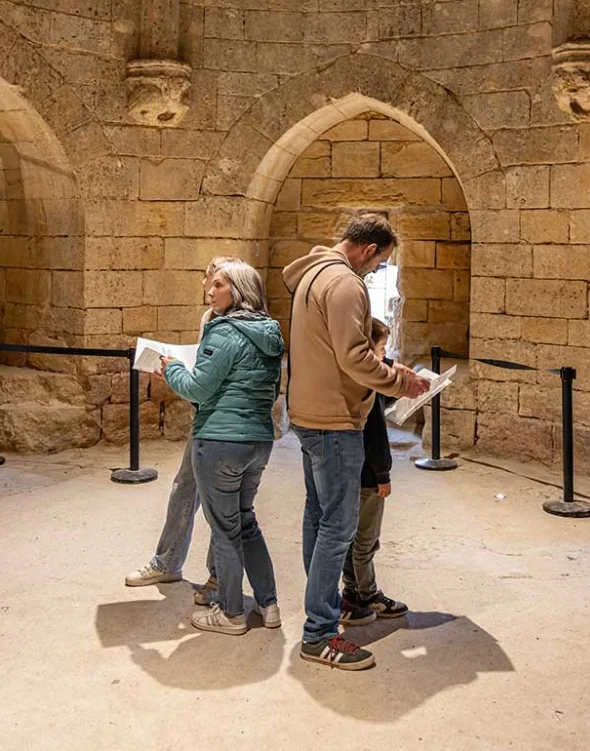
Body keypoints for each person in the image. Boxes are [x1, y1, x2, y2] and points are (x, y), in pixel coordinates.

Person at [283, 213, 430, 670]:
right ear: (369, 250)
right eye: (380, 263)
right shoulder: (346, 284)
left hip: (309, 414)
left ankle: (326, 607)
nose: (376, 271)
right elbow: (353, 357)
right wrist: (399, 382)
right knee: (338, 528)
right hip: (334, 420)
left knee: (319, 517)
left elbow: (338, 351)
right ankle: (320, 634)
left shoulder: (312, 274)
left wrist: (390, 374)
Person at [160, 260, 284, 636]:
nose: (208, 291)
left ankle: (231, 612)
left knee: (226, 529)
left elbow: (198, 388)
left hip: (220, 440)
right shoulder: (270, 332)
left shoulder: (223, 331)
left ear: (239, 291)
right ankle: (268, 603)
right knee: (245, 521)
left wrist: (170, 369)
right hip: (258, 441)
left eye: (218, 285)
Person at [125, 256, 239, 604]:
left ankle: (218, 578)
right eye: (207, 280)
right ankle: (168, 561)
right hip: (205, 415)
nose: (208, 289)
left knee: (221, 503)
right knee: (184, 489)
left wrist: (184, 376)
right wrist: (176, 370)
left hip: (228, 422)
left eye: (216, 282)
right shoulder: (209, 319)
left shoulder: (243, 323)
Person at [340, 317, 408, 625]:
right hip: (369, 477)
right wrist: (384, 476)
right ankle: (367, 595)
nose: (385, 354)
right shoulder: (369, 389)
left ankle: (352, 590)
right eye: (381, 348)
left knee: (350, 538)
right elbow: (376, 437)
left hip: (349, 471)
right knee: (367, 541)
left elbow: (388, 390)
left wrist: (388, 366)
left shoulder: (355, 378)